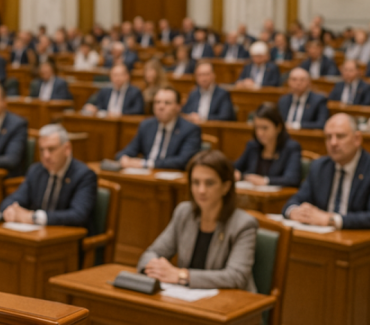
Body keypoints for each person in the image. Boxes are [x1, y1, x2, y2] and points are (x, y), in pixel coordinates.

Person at [137, 150, 258, 291]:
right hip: (189, 299)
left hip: (231, 304)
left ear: (226, 187)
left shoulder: (243, 224)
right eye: (195, 182)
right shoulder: (184, 213)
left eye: (209, 183)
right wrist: (156, 268)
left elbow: (236, 276)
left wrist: (182, 275)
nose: (201, 190)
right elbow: (151, 254)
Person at [283, 114, 370, 238]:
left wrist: (331, 219)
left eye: (340, 136)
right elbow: (295, 200)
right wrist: (294, 212)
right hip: (324, 238)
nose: (333, 143)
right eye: (328, 137)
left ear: (357, 139)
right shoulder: (319, 166)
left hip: (359, 242)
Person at [0, 124, 97, 228]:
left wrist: (35, 217)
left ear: (67, 148)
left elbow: (78, 215)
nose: (46, 156)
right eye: (42, 150)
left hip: (68, 238)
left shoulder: (84, 175)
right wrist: (10, 210)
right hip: (39, 235)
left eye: (51, 149)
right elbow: (14, 199)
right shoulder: (36, 170)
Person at [116, 87, 201, 170]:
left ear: (178, 107)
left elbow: (184, 161)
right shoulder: (146, 125)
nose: (161, 107)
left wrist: (146, 164)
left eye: (167, 103)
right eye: (157, 102)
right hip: (145, 176)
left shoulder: (190, 129)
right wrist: (124, 158)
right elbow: (127, 151)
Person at [233, 103, 302, 187]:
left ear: (278, 128)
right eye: (257, 128)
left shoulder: (291, 148)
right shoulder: (252, 146)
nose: (259, 133)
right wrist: (237, 174)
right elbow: (235, 167)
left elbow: (292, 179)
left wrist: (266, 181)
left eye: (265, 128)